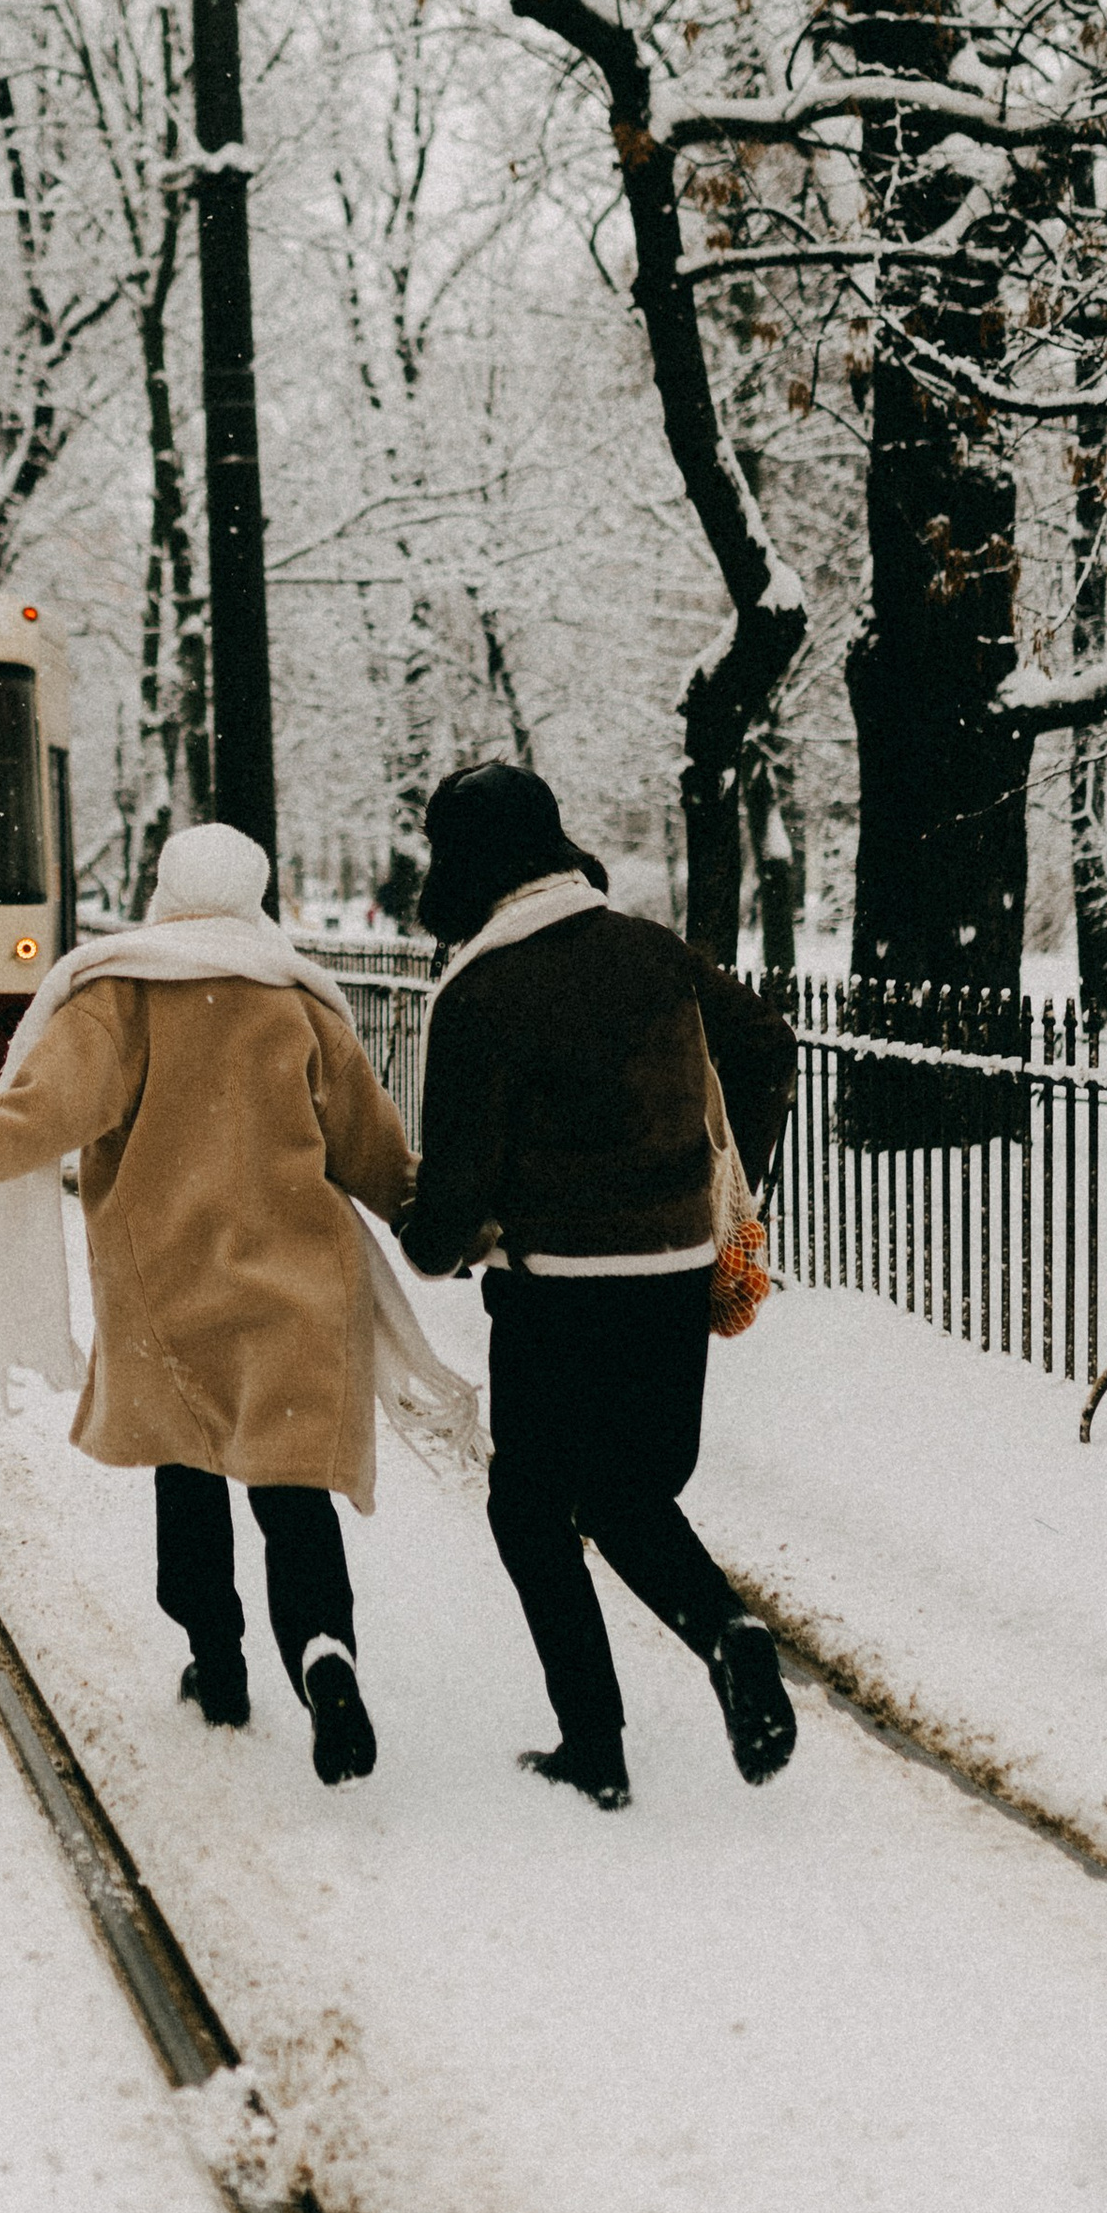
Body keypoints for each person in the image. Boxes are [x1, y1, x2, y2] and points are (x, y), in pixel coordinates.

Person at [0, 822, 440, 1784]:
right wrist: (465, 1230)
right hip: (301, 1288)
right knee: (294, 1497)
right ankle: (327, 1657)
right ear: (255, 893)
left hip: (169, 1290)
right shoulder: (300, 1001)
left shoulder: (121, 992)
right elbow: (373, 1154)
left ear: (165, 889)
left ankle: (219, 1662)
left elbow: (35, 1117)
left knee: (188, 1477)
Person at [399, 763, 799, 1809]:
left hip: (555, 1292)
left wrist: (430, 1240)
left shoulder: (479, 989)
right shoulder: (650, 951)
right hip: (669, 1277)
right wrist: (717, 1172)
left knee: (529, 1509)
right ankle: (730, 1634)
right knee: (627, 1492)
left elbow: (449, 1201)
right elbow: (765, 1040)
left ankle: (595, 1748)